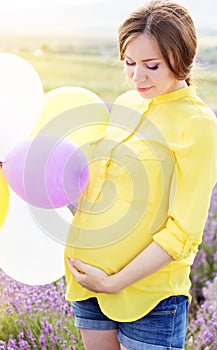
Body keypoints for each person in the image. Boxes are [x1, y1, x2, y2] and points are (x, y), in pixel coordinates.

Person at [64, 0, 217, 349]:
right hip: (87, 283)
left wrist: (115, 282)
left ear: (184, 59)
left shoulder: (199, 123)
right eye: (129, 63)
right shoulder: (126, 103)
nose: (137, 77)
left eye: (151, 65)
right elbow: (97, 186)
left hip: (150, 299)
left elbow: (183, 232)